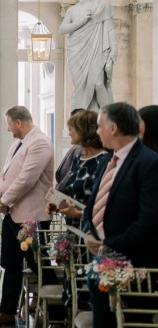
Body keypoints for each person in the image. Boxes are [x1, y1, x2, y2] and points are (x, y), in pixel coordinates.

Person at [82, 102, 158, 328]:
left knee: (130, 323)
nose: (97, 132)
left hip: (133, 264)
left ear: (113, 128)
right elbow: (93, 202)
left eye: (99, 126)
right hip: (102, 260)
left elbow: (150, 219)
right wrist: (88, 229)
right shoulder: (108, 159)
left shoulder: (149, 162)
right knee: (102, 320)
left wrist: (109, 243)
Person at [0, 106, 54, 327]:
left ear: (18, 123)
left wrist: (5, 201)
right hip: (13, 215)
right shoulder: (17, 144)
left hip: (32, 217)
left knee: (38, 265)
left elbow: (26, 179)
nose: (7, 129)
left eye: (8, 123)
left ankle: (58, 309)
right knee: (10, 264)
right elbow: (4, 174)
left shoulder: (40, 143)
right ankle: (6, 312)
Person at [59, 0, 118, 111]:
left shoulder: (103, 5)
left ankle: (108, 116)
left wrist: (113, 52)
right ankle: (82, 117)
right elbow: (62, 29)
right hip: (77, 51)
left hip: (96, 48)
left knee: (98, 83)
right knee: (80, 87)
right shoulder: (72, 10)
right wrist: (81, 21)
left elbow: (110, 29)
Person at [48, 110, 109, 227]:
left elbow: (107, 205)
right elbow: (68, 187)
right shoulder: (78, 158)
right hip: (73, 229)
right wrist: (55, 202)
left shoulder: (104, 161)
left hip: (93, 231)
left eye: (71, 129)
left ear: (83, 130)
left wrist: (79, 214)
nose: (69, 133)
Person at [55, 108, 84, 187]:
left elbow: (70, 175)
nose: (69, 133)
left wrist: (58, 190)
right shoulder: (76, 147)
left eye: (71, 129)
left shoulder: (80, 149)